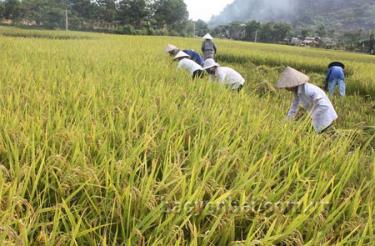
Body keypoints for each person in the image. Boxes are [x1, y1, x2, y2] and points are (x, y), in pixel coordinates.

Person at [276, 67, 338, 133]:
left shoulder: (308, 90)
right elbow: (294, 107)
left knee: (326, 135)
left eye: (287, 86)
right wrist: (286, 120)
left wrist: (310, 117)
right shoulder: (297, 92)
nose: (286, 88)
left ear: (292, 84)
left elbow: (324, 105)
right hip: (316, 118)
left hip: (324, 117)